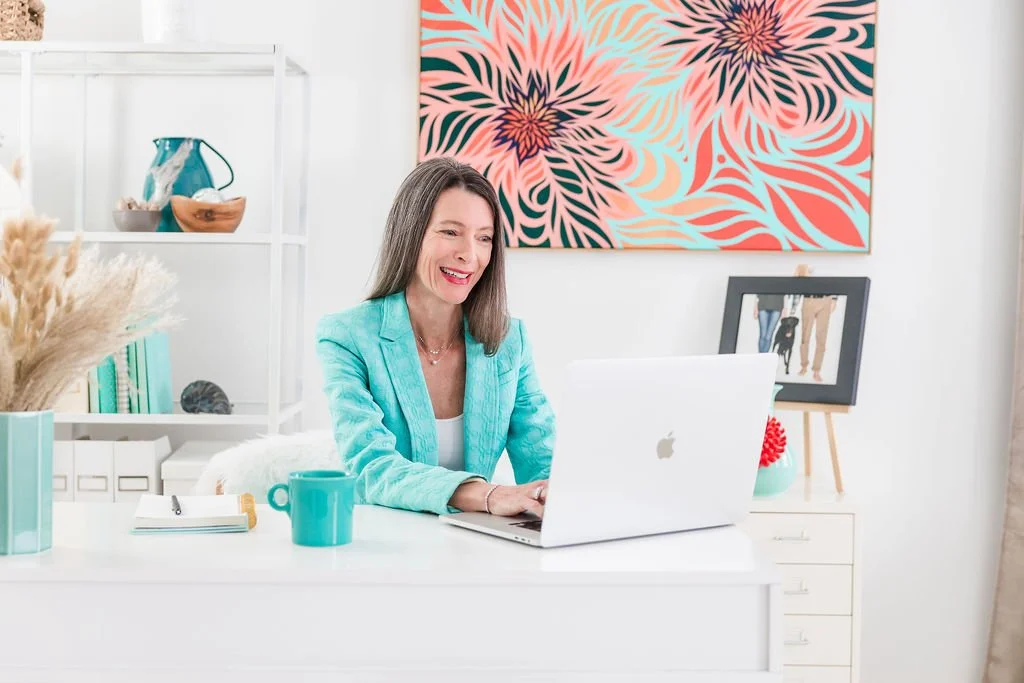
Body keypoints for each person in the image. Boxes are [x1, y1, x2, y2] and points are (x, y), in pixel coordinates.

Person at [315, 157, 555, 518]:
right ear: (411, 234)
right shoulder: (347, 337)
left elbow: (542, 457)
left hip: (471, 549)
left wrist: (559, 490)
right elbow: (370, 469)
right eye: (450, 232)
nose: (469, 254)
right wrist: (487, 495)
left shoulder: (509, 341)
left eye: (484, 238)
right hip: (382, 543)